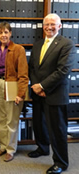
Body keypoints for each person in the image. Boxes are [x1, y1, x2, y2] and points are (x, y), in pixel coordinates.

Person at [28, 13, 75, 174]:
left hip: (55, 94)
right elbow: (32, 68)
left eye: (53, 24)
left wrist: (42, 86)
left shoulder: (66, 44)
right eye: (46, 24)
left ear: (59, 26)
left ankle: (61, 163)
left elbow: (63, 71)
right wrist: (36, 86)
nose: (49, 27)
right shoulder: (38, 44)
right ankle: (42, 148)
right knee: (39, 125)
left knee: (57, 130)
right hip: (37, 93)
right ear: (43, 26)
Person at [0, 22, 29, 162]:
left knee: (11, 120)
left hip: (13, 85)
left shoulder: (19, 49)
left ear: (10, 33)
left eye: (6, 32)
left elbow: (24, 74)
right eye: (0, 32)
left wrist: (21, 93)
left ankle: (11, 149)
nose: (3, 35)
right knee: (0, 119)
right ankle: (3, 146)